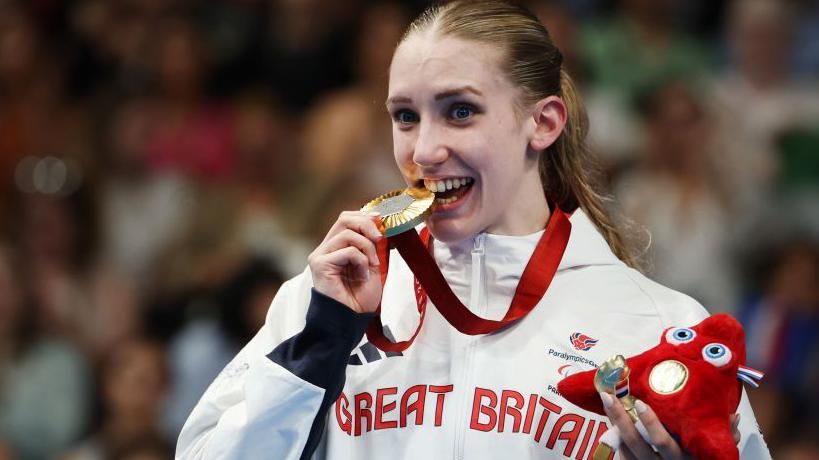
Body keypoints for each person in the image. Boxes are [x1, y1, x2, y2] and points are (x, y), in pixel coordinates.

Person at [176, 2, 771, 459]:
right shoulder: (326, 302)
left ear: (542, 122)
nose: (425, 150)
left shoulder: (659, 328)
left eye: (459, 111)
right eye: (405, 117)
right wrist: (317, 350)